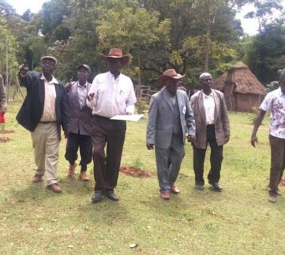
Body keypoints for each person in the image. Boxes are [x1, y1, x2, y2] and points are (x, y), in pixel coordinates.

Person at [87, 48, 136, 203]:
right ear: (107, 62)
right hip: (99, 122)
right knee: (97, 152)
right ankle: (99, 188)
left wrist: (128, 111)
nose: (112, 64)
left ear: (121, 63)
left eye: (115, 61)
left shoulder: (127, 81)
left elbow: (131, 102)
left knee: (115, 157)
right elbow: (90, 102)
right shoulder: (99, 79)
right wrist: (91, 99)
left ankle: (110, 188)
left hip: (118, 123)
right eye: (110, 61)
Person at [251, 73, 285, 203]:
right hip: (276, 134)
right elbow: (261, 114)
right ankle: (272, 190)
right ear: (280, 83)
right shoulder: (272, 96)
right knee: (276, 163)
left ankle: (274, 183)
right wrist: (254, 133)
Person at [17, 56, 68, 193]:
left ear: (54, 68)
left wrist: (66, 127)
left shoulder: (60, 86)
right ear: (41, 65)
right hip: (37, 124)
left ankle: (51, 181)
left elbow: (64, 108)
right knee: (39, 150)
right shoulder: (34, 78)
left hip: (53, 125)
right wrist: (23, 73)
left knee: (53, 153)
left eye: (51, 64)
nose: (47, 65)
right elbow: (25, 80)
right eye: (45, 63)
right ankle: (39, 172)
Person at [146, 69, 196, 200]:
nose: (176, 85)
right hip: (162, 137)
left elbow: (189, 116)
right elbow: (151, 120)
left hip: (178, 136)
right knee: (162, 164)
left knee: (177, 160)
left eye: (177, 82)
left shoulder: (183, 95)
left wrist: (191, 131)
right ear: (166, 82)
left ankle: (171, 181)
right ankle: (164, 188)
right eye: (173, 82)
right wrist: (150, 139)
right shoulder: (157, 98)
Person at [190, 72, 230, 191]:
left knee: (218, 157)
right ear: (200, 82)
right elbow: (190, 117)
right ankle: (199, 180)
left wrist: (227, 131)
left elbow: (225, 115)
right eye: (205, 80)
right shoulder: (195, 98)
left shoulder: (219, 96)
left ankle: (214, 180)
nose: (208, 82)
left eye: (210, 80)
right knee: (198, 157)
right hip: (200, 130)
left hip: (216, 130)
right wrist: (190, 133)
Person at [64, 64, 93, 181]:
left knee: (86, 149)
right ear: (77, 73)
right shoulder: (70, 87)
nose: (82, 73)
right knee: (71, 148)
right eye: (80, 71)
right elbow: (64, 102)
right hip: (73, 124)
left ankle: (83, 171)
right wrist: (64, 90)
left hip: (87, 124)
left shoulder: (93, 88)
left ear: (88, 74)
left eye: (84, 71)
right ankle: (72, 164)